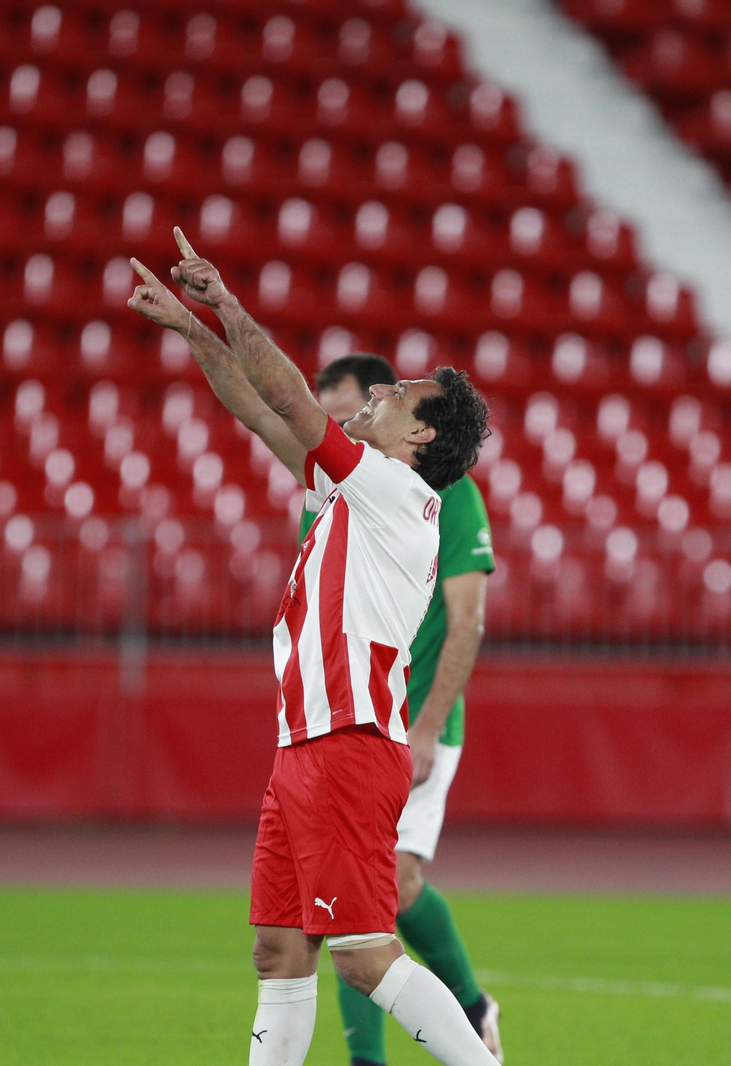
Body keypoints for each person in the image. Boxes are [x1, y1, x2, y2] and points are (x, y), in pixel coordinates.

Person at [126, 229, 500, 1066]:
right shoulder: (357, 489)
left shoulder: (396, 492)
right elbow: (257, 406)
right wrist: (193, 331)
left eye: (397, 396)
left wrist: (225, 302)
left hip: (347, 746)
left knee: (366, 956)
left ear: (421, 439)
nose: (375, 396)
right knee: (280, 950)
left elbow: (292, 401)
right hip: (305, 744)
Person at [308, 354, 503, 1064]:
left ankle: (454, 1019)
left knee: (376, 892)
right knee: (362, 895)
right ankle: (468, 1012)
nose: (333, 423)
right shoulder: (341, 476)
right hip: (354, 716)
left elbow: (467, 619)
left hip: (414, 721)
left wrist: (426, 727)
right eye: (321, 411)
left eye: (343, 407)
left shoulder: (451, 495)